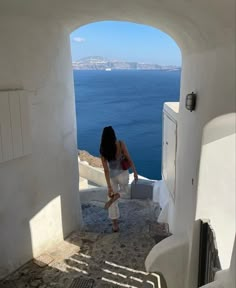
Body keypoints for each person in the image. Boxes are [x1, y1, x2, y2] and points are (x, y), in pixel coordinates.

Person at [100, 126, 138, 232]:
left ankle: (115, 225)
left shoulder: (103, 150)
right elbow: (129, 158)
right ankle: (118, 195)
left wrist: (109, 187)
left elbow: (106, 170)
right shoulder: (120, 144)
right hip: (123, 174)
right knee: (125, 190)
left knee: (111, 199)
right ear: (113, 135)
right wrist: (135, 172)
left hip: (112, 176)